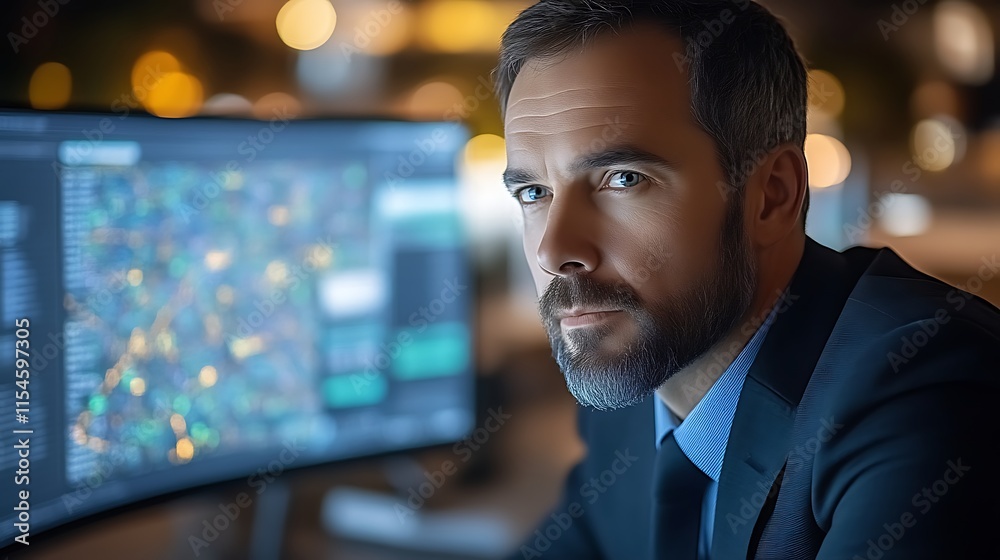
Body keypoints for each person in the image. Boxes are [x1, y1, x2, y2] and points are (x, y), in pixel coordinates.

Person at [493, 1, 1000, 558]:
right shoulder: (632, 388)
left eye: (622, 178)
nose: (554, 250)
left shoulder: (924, 391)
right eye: (533, 193)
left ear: (772, 196)